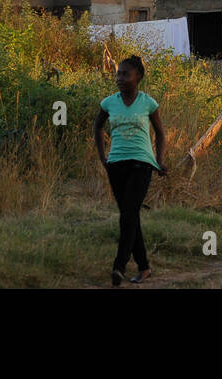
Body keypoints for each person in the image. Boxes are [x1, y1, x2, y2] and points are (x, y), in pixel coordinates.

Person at [93, 55, 167, 286]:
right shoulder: (109, 103)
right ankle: (144, 267)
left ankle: (119, 267)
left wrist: (159, 159)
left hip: (142, 163)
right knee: (130, 216)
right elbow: (97, 127)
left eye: (125, 74)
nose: (120, 78)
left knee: (127, 216)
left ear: (138, 78)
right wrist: (102, 157)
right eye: (118, 74)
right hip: (116, 164)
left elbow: (161, 133)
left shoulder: (148, 103)